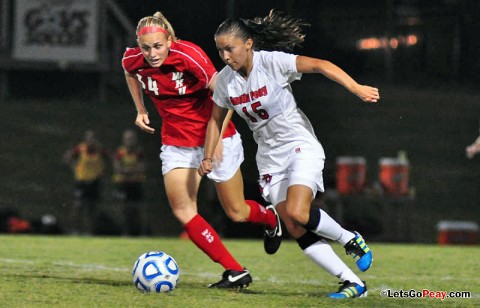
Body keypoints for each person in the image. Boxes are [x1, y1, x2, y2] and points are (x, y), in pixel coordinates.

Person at [198, 10, 379, 298]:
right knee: (295, 226)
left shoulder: (271, 63)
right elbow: (215, 120)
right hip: (269, 158)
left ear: (248, 44)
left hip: (299, 145)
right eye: (219, 50)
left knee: (297, 211)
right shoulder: (224, 82)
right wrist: (207, 156)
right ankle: (352, 283)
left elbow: (321, 65)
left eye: (229, 48)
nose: (224, 56)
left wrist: (356, 88)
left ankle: (349, 239)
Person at [121, 11, 282, 289]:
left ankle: (270, 218)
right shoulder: (132, 59)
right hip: (176, 144)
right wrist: (140, 109)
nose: (152, 53)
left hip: (217, 137)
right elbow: (129, 71)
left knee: (237, 212)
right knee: (183, 210)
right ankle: (235, 271)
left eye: (158, 46)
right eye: (146, 47)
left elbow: (228, 95)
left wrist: (216, 138)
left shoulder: (190, 55)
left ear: (169, 40)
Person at [63, 130, 109, 234]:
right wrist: (75, 167)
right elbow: (67, 157)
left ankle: (90, 231)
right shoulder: (80, 148)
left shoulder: (100, 150)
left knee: (92, 208)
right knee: (77, 206)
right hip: (82, 182)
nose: (91, 140)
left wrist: (102, 171)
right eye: (89, 138)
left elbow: (111, 158)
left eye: (93, 138)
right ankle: (74, 229)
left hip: (94, 182)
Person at [112, 129, 148, 235]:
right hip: (123, 184)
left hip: (136, 184)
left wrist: (127, 170)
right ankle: (124, 233)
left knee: (138, 209)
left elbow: (142, 168)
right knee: (123, 209)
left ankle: (141, 232)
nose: (130, 141)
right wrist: (132, 170)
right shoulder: (120, 152)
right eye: (128, 139)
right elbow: (118, 168)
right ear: (124, 140)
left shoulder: (139, 153)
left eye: (132, 139)